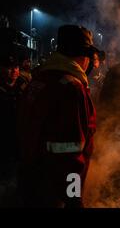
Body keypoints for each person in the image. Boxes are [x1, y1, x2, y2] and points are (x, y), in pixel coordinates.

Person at [17, 25, 100, 207]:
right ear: (83, 56)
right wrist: (73, 197)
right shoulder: (72, 87)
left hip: (29, 180)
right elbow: (71, 152)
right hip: (54, 192)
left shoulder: (39, 79)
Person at [0, 56, 22, 205]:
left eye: (16, 67)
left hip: (18, 142)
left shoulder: (24, 88)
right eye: (9, 67)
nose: (13, 70)